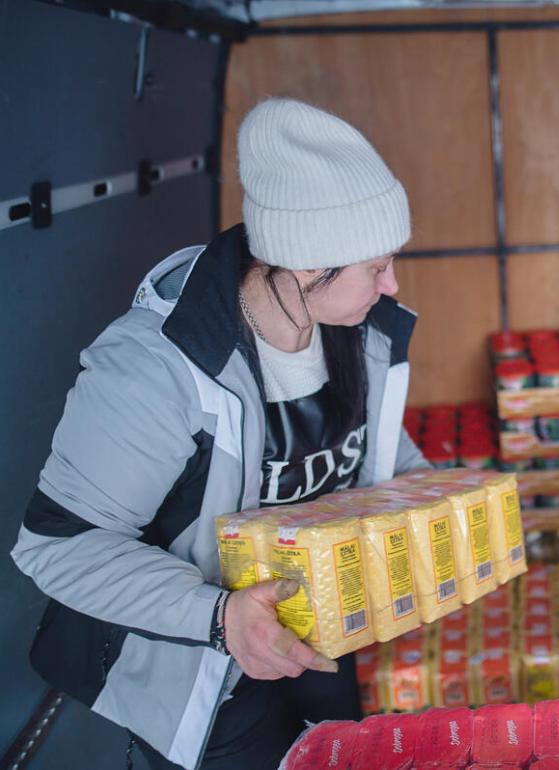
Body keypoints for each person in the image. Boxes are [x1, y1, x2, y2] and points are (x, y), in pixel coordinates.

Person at [11, 99, 428, 769]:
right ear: (305, 264)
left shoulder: (357, 335)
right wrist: (218, 616)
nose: (392, 284)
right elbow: (58, 548)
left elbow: (374, 460)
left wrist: (447, 509)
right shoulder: (158, 368)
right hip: (202, 679)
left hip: (325, 639)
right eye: (376, 266)